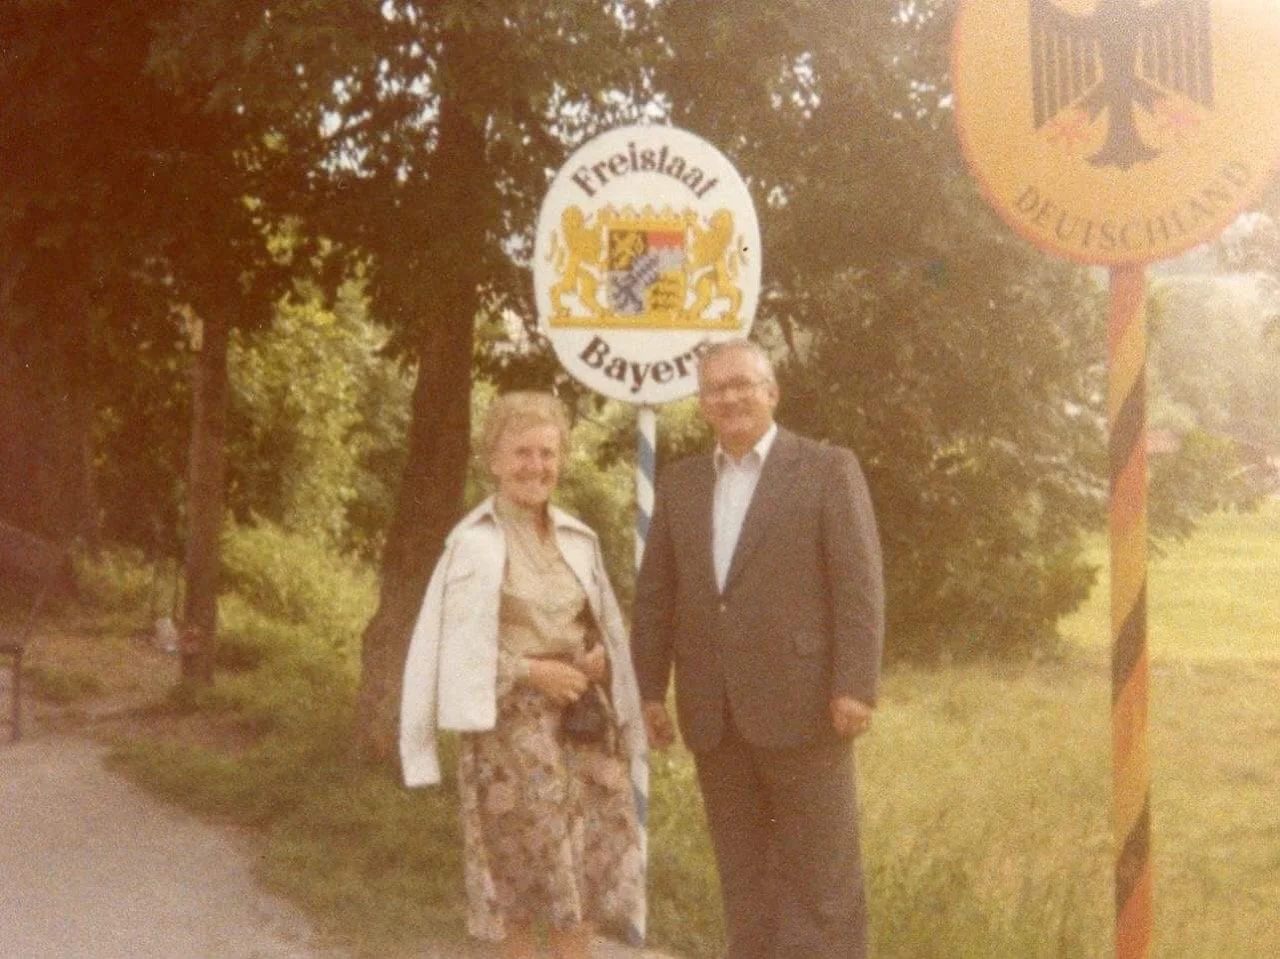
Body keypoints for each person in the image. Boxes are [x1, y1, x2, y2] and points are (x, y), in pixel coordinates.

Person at [631, 339, 885, 959]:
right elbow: (657, 593)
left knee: (821, 880)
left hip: (807, 708)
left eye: (743, 384)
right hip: (714, 713)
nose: (731, 398)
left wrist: (854, 684)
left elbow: (859, 584)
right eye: (716, 388)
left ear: (772, 392)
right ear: (701, 404)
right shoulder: (683, 483)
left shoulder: (826, 468)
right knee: (744, 879)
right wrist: (645, 690)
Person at [399, 391, 647, 959]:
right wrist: (531, 671)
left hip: (584, 725)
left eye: (547, 453)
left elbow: (597, 621)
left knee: (582, 870)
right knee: (524, 878)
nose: (536, 466)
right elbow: (451, 651)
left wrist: (596, 656)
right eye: (522, 453)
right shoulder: (474, 545)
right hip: (512, 733)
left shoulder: (577, 538)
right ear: (494, 459)